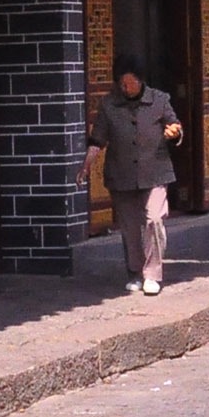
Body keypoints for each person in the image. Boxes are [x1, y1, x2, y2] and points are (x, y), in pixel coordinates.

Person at [89, 53, 183, 296]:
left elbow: (175, 125)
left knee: (154, 220)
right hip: (121, 173)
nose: (126, 88)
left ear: (141, 81)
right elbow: (98, 137)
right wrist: (87, 162)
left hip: (156, 171)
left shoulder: (160, 100)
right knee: (130, 227)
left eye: (130, 83)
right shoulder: (109, 105)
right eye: (121, 83)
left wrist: (174, 132)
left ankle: (152, 274)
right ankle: (134, 272)